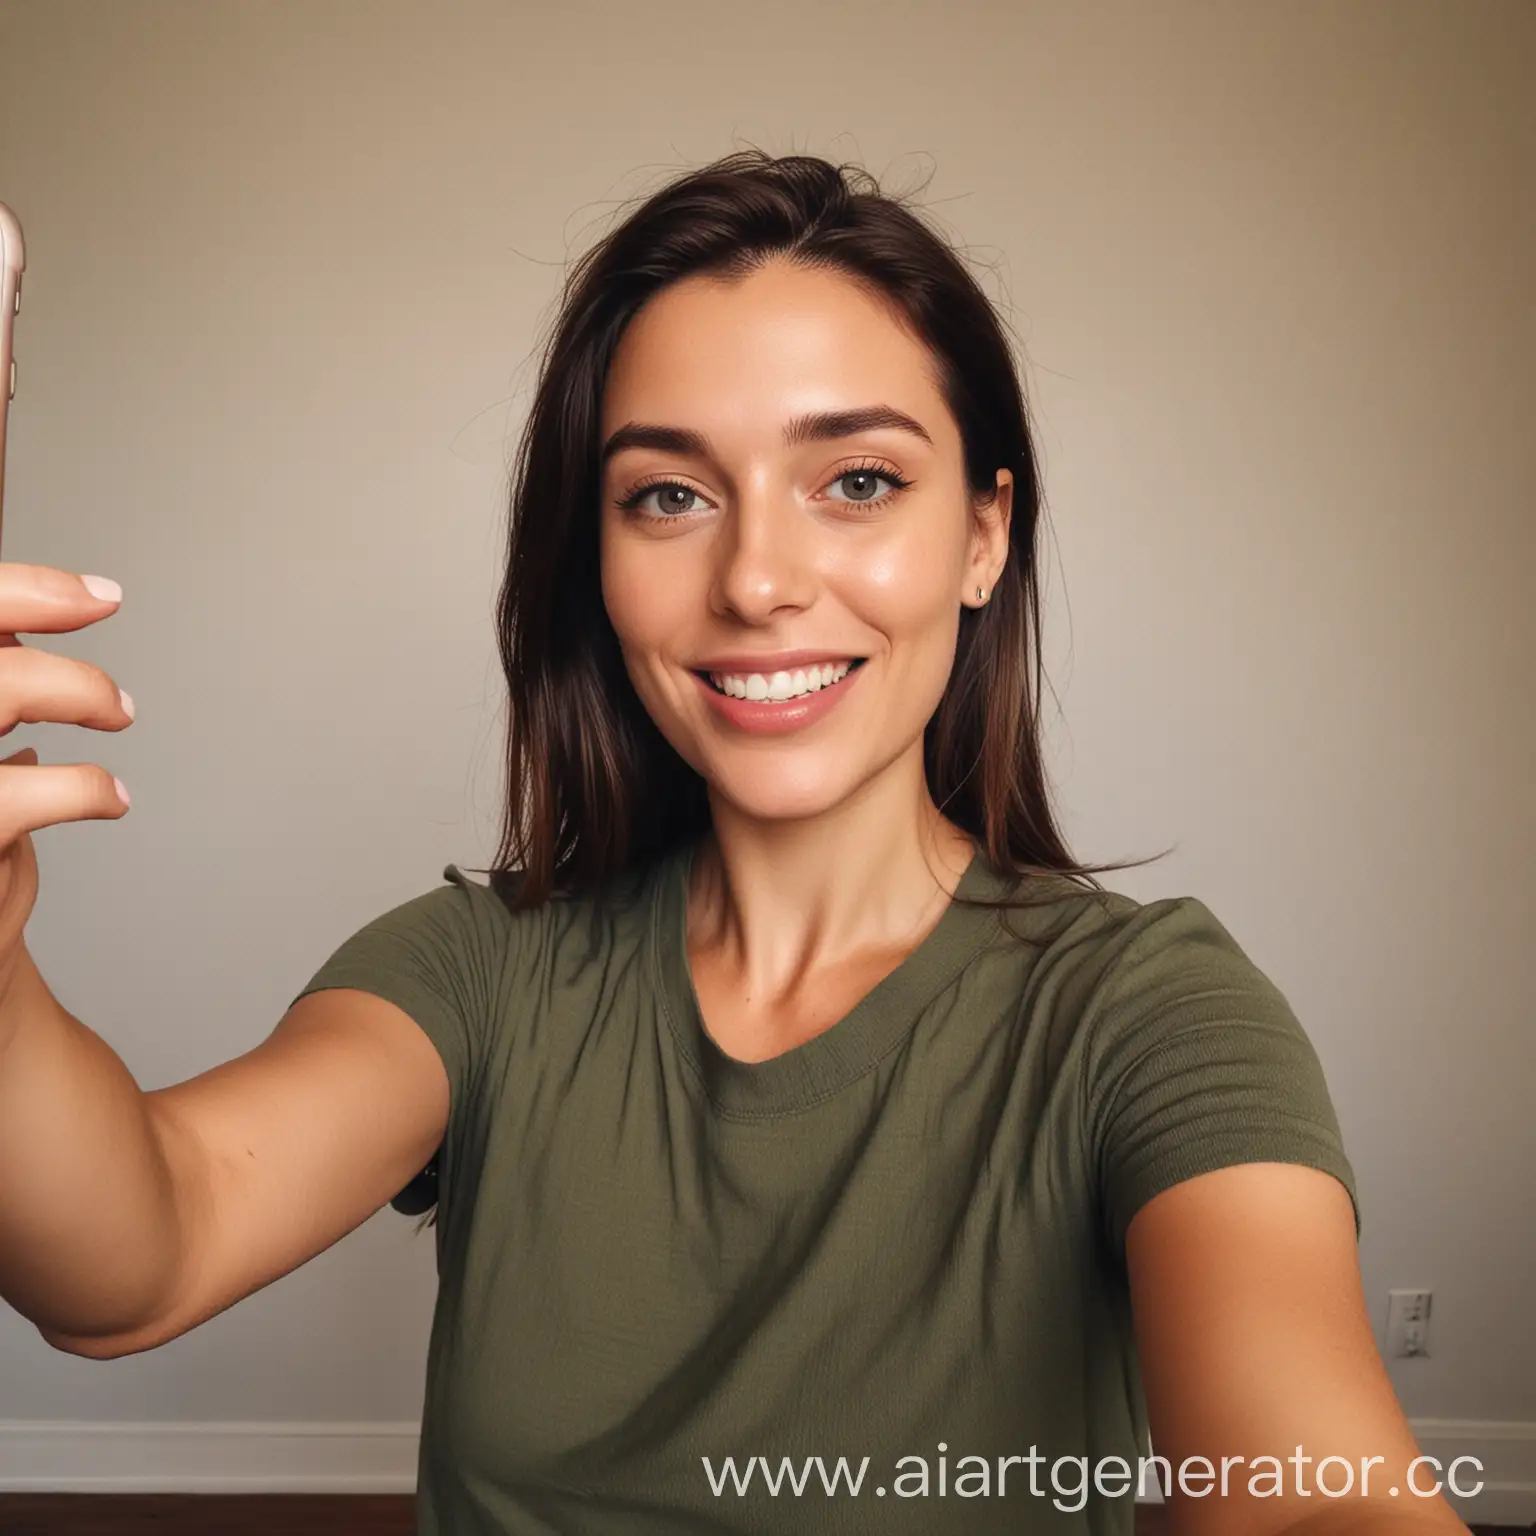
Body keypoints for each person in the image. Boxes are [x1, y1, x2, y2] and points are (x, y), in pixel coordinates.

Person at [0, 152, 1468, 1536]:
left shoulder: (1146, 1012)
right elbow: (139, 1259)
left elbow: (1311, 1488)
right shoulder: (480, 967)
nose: (758, 580)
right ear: (596, 558)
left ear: (982, 535)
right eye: (669, 495)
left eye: (860, 481)